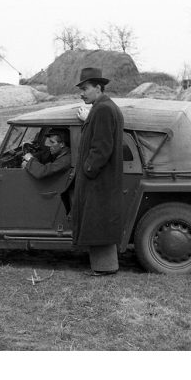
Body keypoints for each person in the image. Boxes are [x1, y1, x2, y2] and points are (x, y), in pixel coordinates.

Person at [72, 68, 124, 276]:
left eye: (85, 88)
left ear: (97, 87)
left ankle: (104, 268)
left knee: (98, 223)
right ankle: (105, 267)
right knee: (100, 224)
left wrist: (88, 169)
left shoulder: (102, 110)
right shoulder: (104, 107)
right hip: (103, 179)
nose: (81, 93)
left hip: (99, 179)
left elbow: (101, 148)